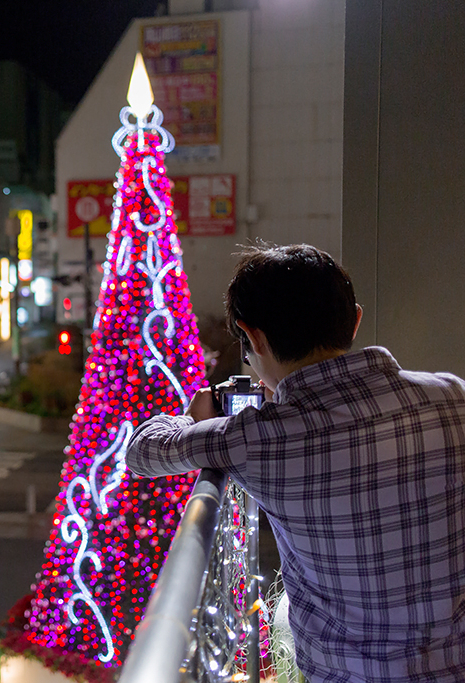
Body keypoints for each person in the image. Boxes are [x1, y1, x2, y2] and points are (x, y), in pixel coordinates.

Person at [125, 244, 465, 682]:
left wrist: (195, 418)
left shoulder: (260, 438)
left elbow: (144, 451)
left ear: (255, 338)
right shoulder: (451, 397)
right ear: (355, 320)